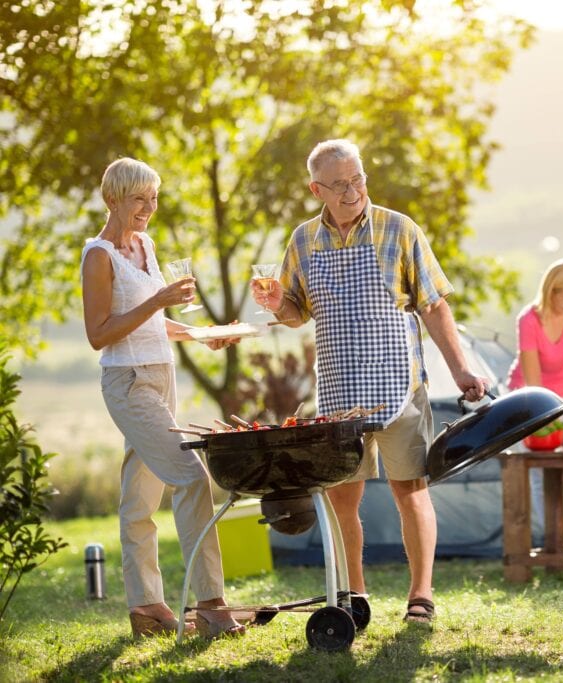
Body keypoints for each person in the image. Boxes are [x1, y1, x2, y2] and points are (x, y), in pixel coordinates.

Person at [252, 139, 488, 625]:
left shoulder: (399, 229)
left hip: (398, 385)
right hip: (340, 389)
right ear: (316, 189)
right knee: (343, 497)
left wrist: (462, 368)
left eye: (357, 178)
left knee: (411, 490)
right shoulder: (303, 240)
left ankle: (420, 595)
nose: (352, 190)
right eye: (339, 184)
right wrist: (277, 302)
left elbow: (434, 305)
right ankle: (353, 598)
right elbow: (296, 312)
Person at [81, 157, 245, 639]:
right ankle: (212, 605)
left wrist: (200, 334)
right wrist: (157, 300)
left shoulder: (145, 245)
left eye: (153, 198)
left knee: (140, 496)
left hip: (161, 375)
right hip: (128, 382)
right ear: (113, 199)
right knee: (191, 476)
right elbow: (99, 334)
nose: (149, 208)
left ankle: (147, 608)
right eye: (139, 199)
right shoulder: (99, 255)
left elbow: (154, 324)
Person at [507, 258, 563, 553]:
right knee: (541, 472)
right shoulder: (528, 320)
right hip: (531, 400)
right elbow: (536, 391)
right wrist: (558, 431)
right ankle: (553, 552)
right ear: (551, 292)